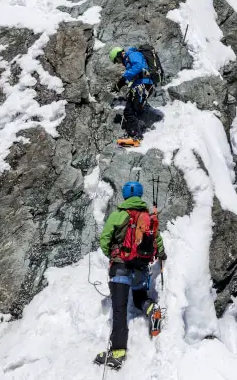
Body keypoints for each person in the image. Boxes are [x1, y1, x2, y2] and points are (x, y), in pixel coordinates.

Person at [94, 180, 166, 369]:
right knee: (139, 298)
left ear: (125, 195)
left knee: (120, 308)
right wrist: (162, 255)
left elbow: (105, 239)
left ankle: (118, 353)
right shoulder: (147, 218)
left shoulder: (118, 215)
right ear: (140, 195)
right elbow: (157, 241)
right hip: (140, 267)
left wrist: (113, 254)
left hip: (120, 267)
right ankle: (152, 310)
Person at [108, 47, 155, 147]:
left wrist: (124, 77)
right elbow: (134, 74)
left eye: (117, 60)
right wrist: (120, 84)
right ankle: (134, 133)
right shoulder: (128, 60)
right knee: (129, 111)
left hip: (144, 84)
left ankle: (136, 137)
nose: (118, 63)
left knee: (131, 110)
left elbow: (139, 66)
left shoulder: (132, 54)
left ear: (119, 55)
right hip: (139, 86)